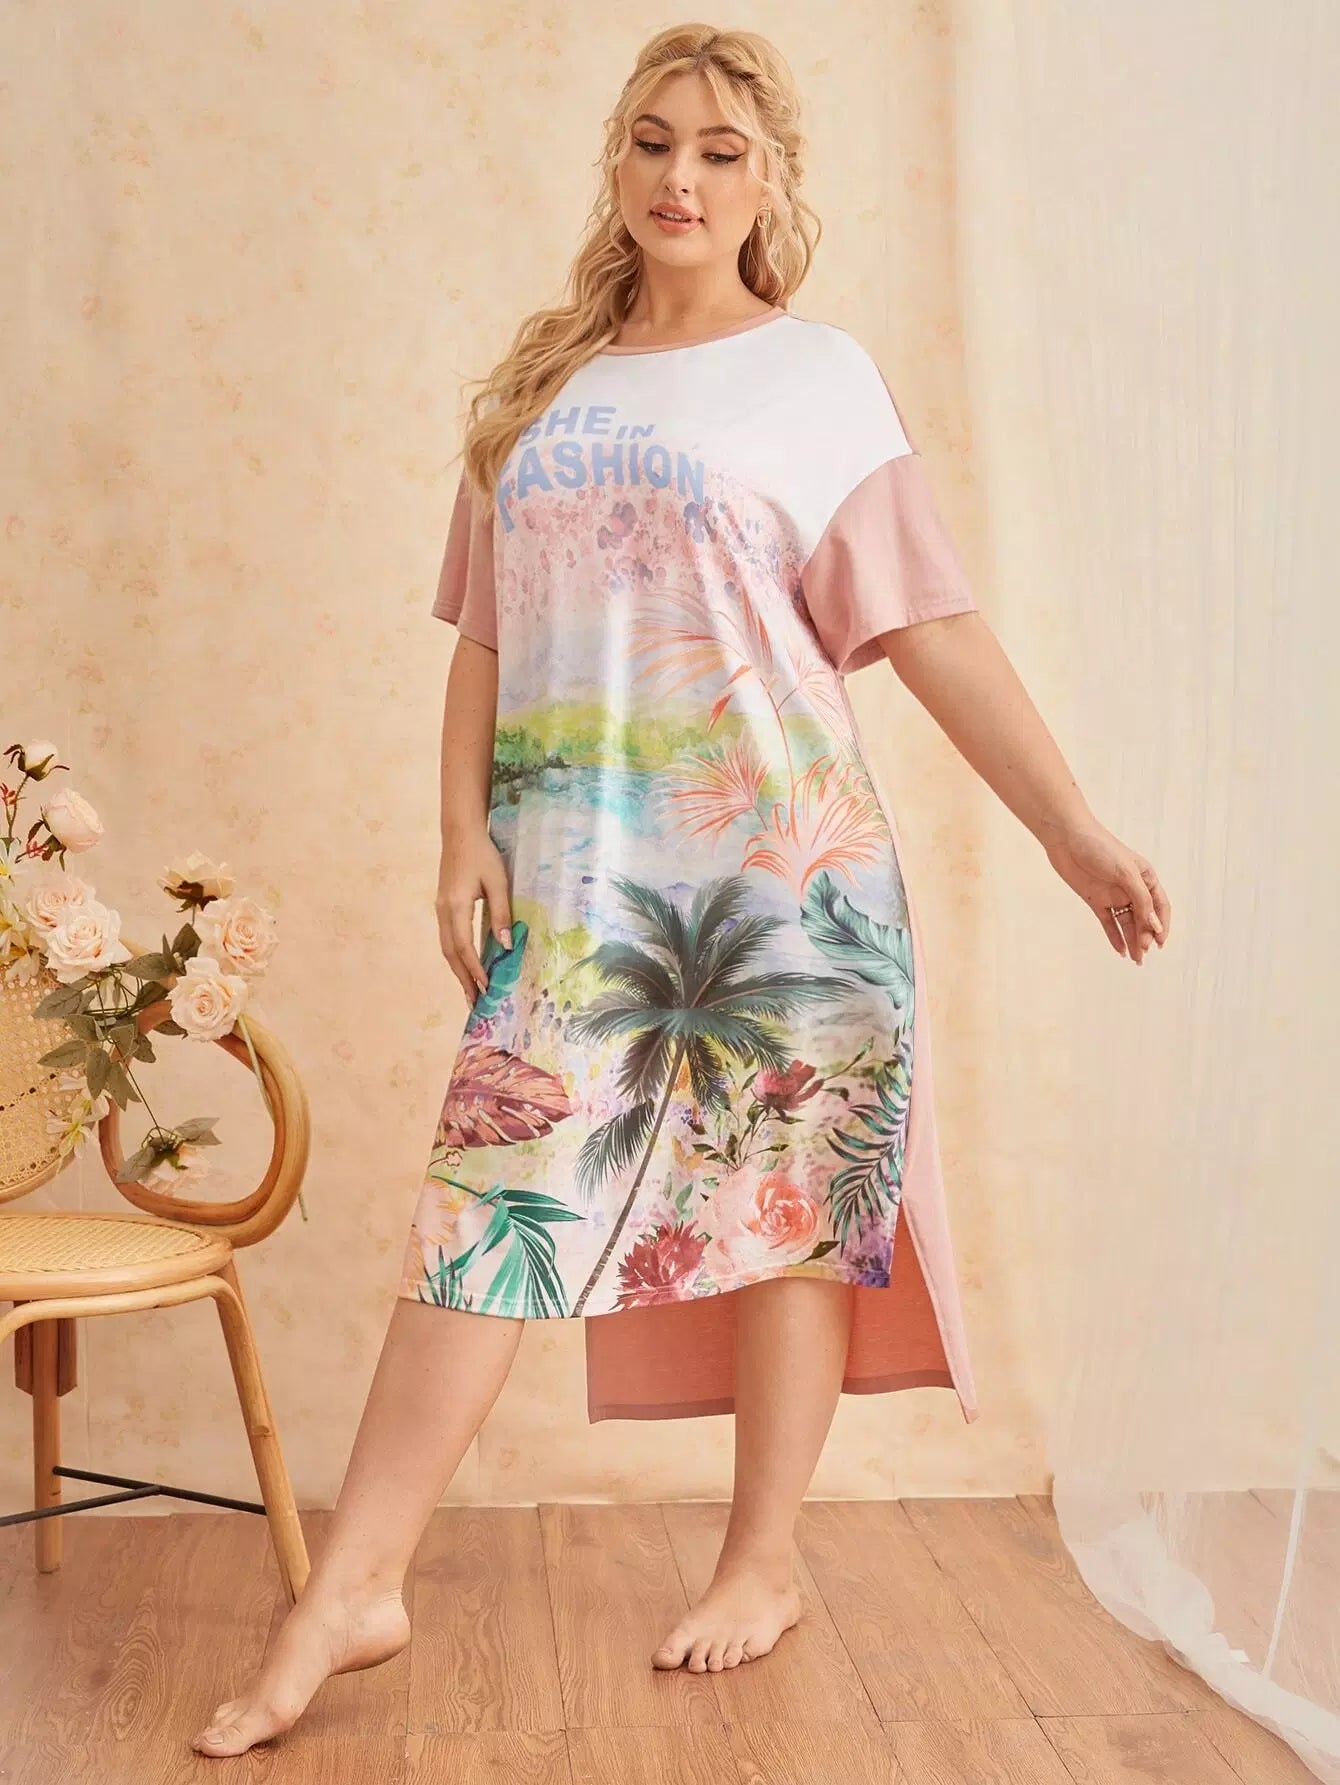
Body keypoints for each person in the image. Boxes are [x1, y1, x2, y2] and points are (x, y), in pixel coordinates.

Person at [192, 21, 1170, 1759]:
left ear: (770, 180)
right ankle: (353, 1585)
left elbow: (932, 631)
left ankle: (761, 1556)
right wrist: (457, 832)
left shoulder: (820, 380)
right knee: (489, 1203)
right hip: (580, 896)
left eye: (721, 151)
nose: (681, 178)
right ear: (617, 162)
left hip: (792, 877)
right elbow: (483, 636)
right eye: (653, 142)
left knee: (792, 1213)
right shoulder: (546, 384)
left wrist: (1070, 829)